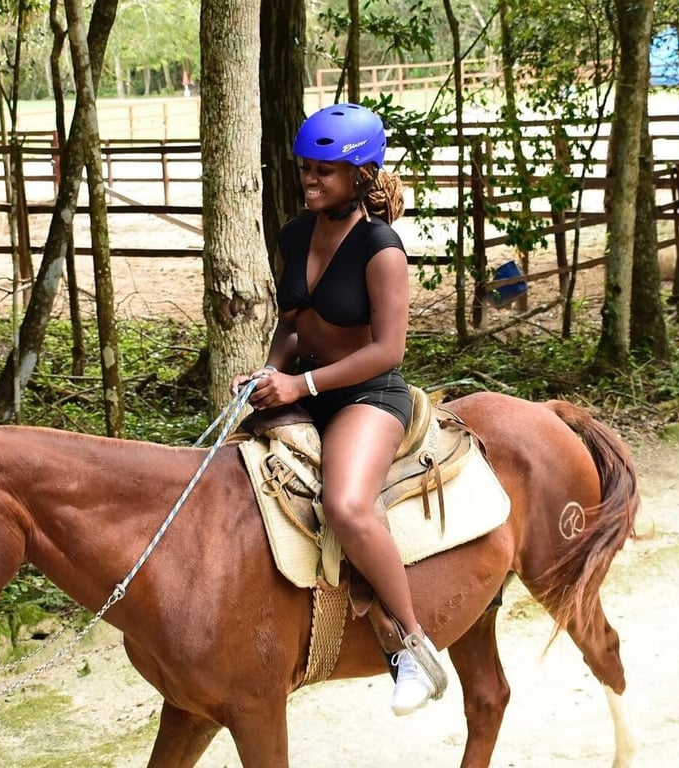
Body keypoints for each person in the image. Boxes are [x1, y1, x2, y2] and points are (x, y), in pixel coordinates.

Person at [230, 103, 445, 716]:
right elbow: (292, 325)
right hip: (304, 382)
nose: (311, 180)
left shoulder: (382, 249)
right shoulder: (295, 235)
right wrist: (272, 370)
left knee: (347, 506)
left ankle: (412, 646)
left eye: (325, 170)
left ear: (361, 177)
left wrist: (301, 388)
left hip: (368, 396)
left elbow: (388, 349)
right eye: (306, 169)